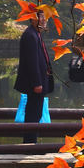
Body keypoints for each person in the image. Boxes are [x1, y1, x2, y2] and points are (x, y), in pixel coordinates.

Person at [14, 9, 54, 143]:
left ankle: (31, 143)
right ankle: (30, 144)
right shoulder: (30, 35)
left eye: (45, 17)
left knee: (35, 113)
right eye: (40, 17)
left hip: (39, 82)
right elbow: (32, 62)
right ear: (32, 19)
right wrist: (37, 83)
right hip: (35, 84)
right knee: (33, 113)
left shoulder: (35, 34)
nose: (43, 20)